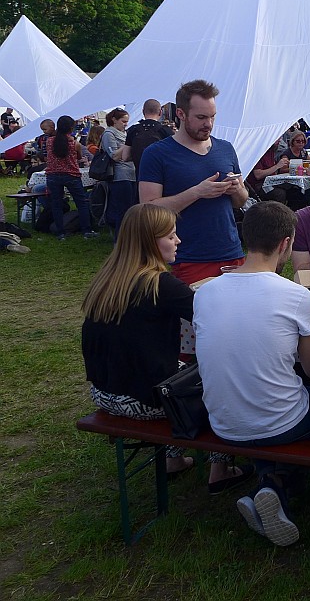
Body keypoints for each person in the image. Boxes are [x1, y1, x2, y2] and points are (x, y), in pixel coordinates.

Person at [80, 203, 252, 493]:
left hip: (104, 391)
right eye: (171, 236)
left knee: (184, 368)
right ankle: (220, 470)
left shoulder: (108, 279)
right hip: (143, 399)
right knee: (225, 384)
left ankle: (173, 460)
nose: (178, 241)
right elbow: (216, 320)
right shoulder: (159, 284)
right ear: (150, 242)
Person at [195, 201, 310, 547]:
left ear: (245, 238)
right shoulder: (297, 296)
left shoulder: (204, 292)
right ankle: (277, 482)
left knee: (269, 398)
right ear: (286, 243)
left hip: (222, 422)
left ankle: (271, 485)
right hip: (281, 424)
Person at [138, 80, 248, 285]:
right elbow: (147, 209)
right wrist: (197, 192)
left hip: (232, 253)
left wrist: (237, 190)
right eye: (201, 117)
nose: (209, 124)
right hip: (188, 257)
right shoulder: (157, 154)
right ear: (181, 114)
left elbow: (240, 201)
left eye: (212, 116)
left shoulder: (226, 149)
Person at [45, 115, 98, 240]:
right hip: (71, 175)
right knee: (81, 203)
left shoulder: (49, 142)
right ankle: (86, 230)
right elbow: (79, 157)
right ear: (71, 128)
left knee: (56, 204)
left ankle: (60, 232)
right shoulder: (75, 144)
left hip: (53, 175)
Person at [99, 108, 137, 236]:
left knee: (131, 208)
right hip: (119, 175)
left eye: (127, 122)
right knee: (123, 210)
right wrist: (127, 145)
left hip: (131, 173)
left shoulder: (125, 133)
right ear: (114, 120)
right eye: (123, 121)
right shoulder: (108, 134)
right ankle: (119, 238)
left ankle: (128, 236)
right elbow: (114, 155)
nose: (126, 124)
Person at [120, 99, 172, 180]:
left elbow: (125, 157)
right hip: (161, 177)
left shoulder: (133, 130)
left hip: (141, 177)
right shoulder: (165, 130)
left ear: (143, 112)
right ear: (160, 112)